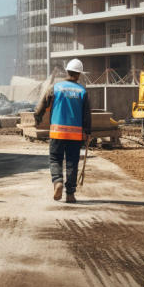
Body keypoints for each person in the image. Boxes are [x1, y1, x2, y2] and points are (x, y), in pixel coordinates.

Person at [34, 59, 91, 204]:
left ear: (67, 71)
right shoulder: (83, 92)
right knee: (72, 162)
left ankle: (58, 181)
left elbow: (41, 105)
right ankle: (70, 194)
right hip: (75, 135)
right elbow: (86, 115)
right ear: (79, 74)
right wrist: (88, 133)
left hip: (57, 133)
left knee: (55, 159)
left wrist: (37, 118)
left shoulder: (55, 87)